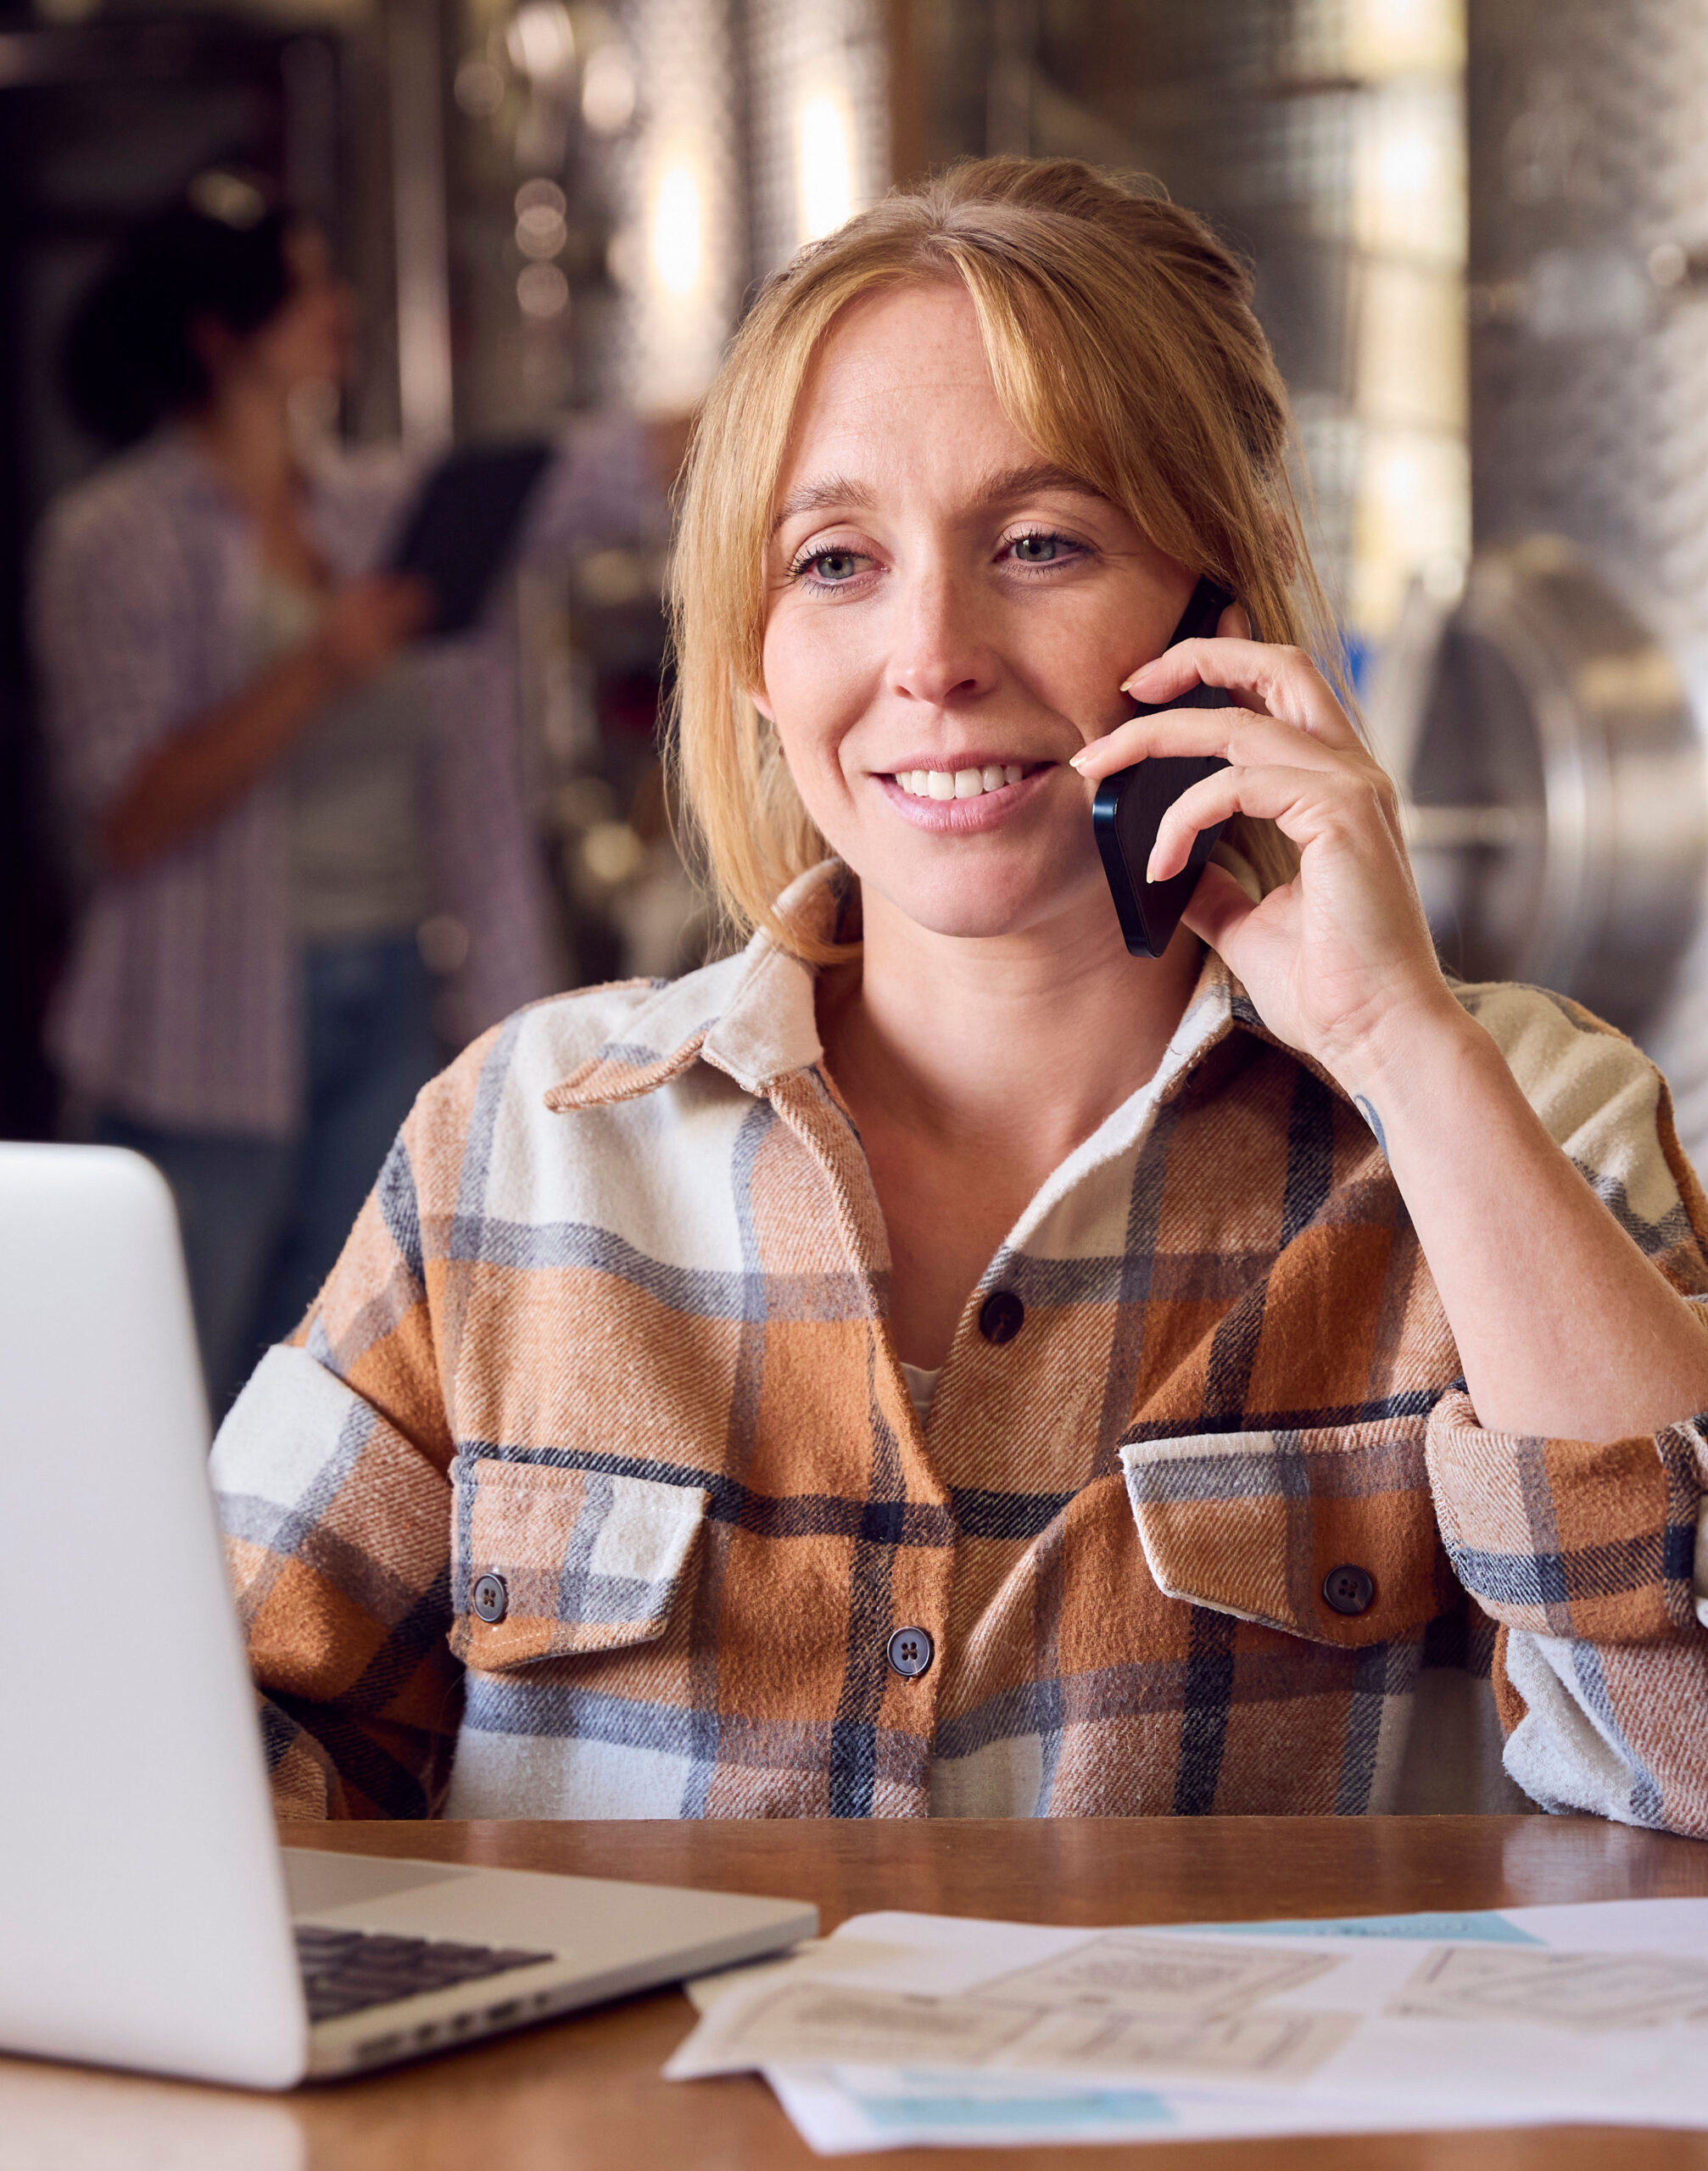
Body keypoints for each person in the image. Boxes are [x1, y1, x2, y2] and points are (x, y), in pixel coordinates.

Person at [211, 159, 1708, 1832]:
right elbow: (209, 1747)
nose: (932, 651)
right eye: (835, 561)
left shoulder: (1515, 1115)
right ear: (751, 659)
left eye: (1039, 542)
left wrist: (1392, 1048)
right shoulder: (516, 1143)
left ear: (1222, 610)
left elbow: (1693, 1748)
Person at [33, 179, 656, 1413]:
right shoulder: (113, 537)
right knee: (165, 1392)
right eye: (311, 287)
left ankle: (282, 1616)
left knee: (333, 1391)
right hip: (198, 1029)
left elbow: (604, 469)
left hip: (390, 997)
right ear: (223, 334)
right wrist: (320, 665)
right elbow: (123, 816)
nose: (342, 306)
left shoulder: (375, 507)